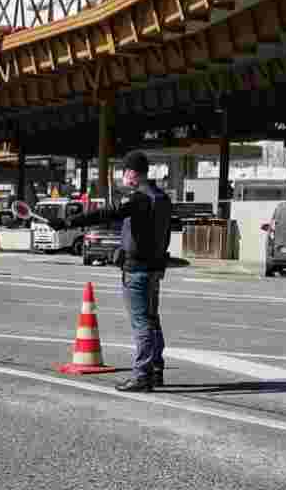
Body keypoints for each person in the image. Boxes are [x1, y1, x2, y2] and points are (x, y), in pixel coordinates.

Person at [115, 152, 173, 392]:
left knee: (141, 323)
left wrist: (67, 222)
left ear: (132, 172)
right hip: (154, 270)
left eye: (124, 172)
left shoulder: (140, 199)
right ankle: (156, 369)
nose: (122, 176)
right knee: (152, 320)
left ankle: (142, 375)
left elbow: (107, 214)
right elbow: (167, 235)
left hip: (137, 270)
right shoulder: (162, 198)